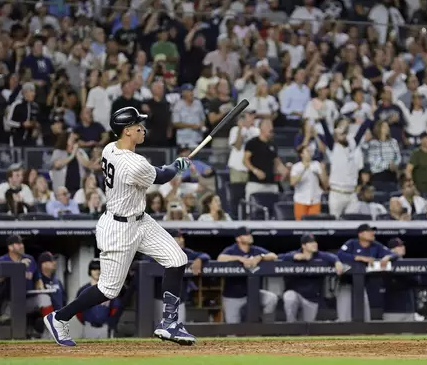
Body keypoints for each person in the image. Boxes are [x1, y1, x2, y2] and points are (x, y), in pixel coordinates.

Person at [44, 107, 196, 347]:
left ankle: (169, 323)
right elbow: (163, 176)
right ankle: (59, 317)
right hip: (119, 229)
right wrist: (178, 165)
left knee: (177, 260)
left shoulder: (109, 148)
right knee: (108, 290)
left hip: (140, 220)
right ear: (127, 131)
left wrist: (173, 166)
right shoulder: (133, 164)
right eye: (138, 126)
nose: (142, 129)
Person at [217, 227, 279, 323]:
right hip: (233, 296)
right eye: (246, 235)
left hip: (252, 294)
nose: (250, 236)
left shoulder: (255, 250)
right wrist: (240, 259)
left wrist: (260, 257)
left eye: (250, 234)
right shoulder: (232, 250)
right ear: (238, 238)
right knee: (232, 330)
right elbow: (220, 258)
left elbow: (274, 256)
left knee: (271, 298)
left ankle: (265, 325)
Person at [336, 224, 397, 322]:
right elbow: (340, 255)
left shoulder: (376, 245)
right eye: (369, 231)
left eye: (373, 231)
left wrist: (387, 257)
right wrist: (360, 258)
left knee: (364, 317)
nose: (372, 233)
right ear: (361, 234)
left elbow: (394, 254)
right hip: (346, 284)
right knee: (344, 317)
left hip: (361, 285)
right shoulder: (352, 243)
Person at [278, 234, 343, 322]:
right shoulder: (294, 254)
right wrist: (292, 257)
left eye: (315, 242)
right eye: (310, 242)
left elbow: (333, 257)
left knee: (307, 328)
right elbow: (278, 257)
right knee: (289, 296)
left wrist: (337, 262)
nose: (314, 244)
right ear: (303, 245)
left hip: (312, 298)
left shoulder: (320, 255)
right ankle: (290, 326)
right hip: (296, 294)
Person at [320, 117, 371, 218]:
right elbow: (327, 134)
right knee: (335, 224)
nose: (342, 135)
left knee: (352, 224)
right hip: (337, 193)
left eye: (344, 133)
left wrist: (369, 118)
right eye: (340, 133)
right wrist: (322, 120)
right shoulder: (333, 147)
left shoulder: (352, 144)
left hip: (352, 194)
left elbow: (361, 131)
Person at [243, 119, 289, 201]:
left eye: (271, 125)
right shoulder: (252, 143)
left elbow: (277, 162)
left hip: (271, 183)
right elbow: (245, 160)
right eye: (268, 126)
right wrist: (255, 171)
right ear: (261, 128)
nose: (271, 128)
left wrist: (284, 171)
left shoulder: (273, 144)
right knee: (252, 209)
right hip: (256, 184)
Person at [76, 259, 119, 338]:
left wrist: (109, 321)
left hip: (104, 327)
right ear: (90, 271)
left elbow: (115, 308)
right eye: (94, 269)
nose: (97, 271)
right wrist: (85, 322)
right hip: (89, 327)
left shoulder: (109, 289)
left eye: (99, 269)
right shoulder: (83, 290)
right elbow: (77, 311)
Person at [290, 146, 328, 220]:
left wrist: (323, 170)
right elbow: (292, 183)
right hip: (300, 200)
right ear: (301, 154)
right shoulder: (296, 167)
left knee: (314, 225)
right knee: (300, 225)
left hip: (315, 200)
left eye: (310, 151)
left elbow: (325, 182)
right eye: (307, 151)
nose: (310, 153)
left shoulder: (316, 164)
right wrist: (304, 169)